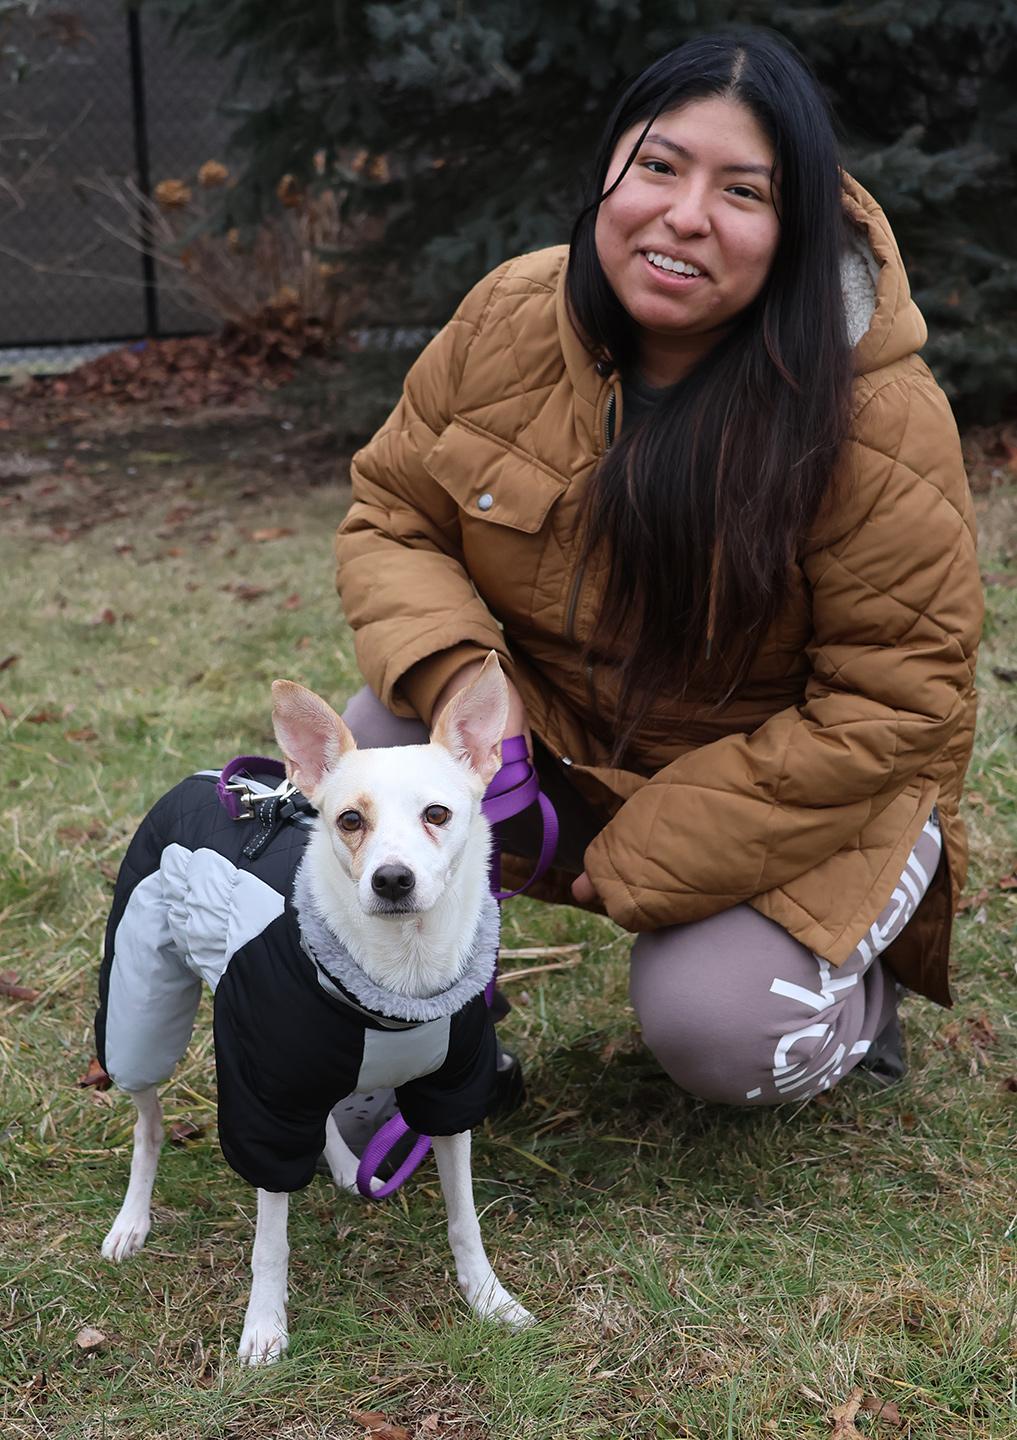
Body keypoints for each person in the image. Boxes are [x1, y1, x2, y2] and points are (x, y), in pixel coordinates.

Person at [331, 29, 982, 1114]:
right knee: (389, 737)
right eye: (661, 166)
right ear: (609, 175)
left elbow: (894, 702)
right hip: (565, 754)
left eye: (743, 191)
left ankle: (857, 1004)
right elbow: (393, 513)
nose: (686, 215)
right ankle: (426, 1033)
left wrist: (657, 850)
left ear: (795, 228)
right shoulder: (509, 314)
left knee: (722, 1035)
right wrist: (459, 689)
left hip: (804, 801)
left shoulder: (877, 413)